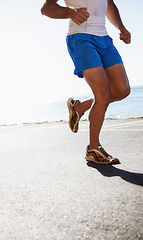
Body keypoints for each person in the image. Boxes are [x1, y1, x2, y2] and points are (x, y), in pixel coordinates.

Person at [41, 0, 131, 164]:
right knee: (102, 95)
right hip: (81, 38)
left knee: (122, 90)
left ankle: (80, 107)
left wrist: (121, 28)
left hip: (104, 39)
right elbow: (46, 9)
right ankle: (93, 149)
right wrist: (70, 13)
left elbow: (109, 4)